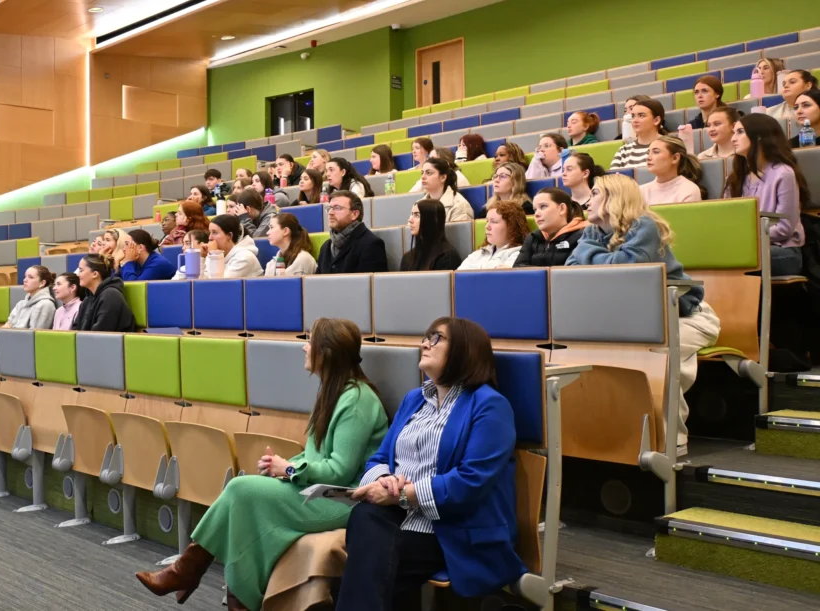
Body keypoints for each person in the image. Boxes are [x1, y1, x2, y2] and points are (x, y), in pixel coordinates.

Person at [136, 317, 388, 611]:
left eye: (311, 342)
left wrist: (291, 470)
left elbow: (340, 471)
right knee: (243, 504)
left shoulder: (357, 400)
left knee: (241, 489)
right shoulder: (334, 393)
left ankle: (187, 572)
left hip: (344, 500)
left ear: (327, 353)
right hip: (319, 492)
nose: (304, 348)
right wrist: (283, 465)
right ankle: (207, 584)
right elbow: (315, 455)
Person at [337, 317, 522, 611]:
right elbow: (379, 458)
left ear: (465, 350)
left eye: (437, 338)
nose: (425, 343)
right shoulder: (414, 400)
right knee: (366, 520)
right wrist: (385, 479)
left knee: (366, 567)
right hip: (400, 518)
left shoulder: (489, 405)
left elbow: (470, 481)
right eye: (426, 337)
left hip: (452, 531)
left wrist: (402, 494)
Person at [568, 175, 720, 453]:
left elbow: (625, 267)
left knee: (653, 354)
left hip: (686, 316)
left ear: (615, 197)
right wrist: (592, 253)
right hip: (641, 320)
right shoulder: (593, 232)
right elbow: (569, 268)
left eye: (595, 193)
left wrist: (587, 253)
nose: (587, 201)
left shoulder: (643, 226)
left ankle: (672, 438)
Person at [726, 114, 810, 275]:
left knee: (729, 257)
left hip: (784, 251)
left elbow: (784, 229)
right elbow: (728, 220)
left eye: (740, 132)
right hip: (746, 247)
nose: (733, 139)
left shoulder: (783, 173)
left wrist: (746, 238)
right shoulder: (736, 176)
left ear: (758, 136)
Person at [318, 191, 388, 274]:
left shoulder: (371, 244)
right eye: (329, 208)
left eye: (337, 208)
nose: (330, 213)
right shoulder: (326, 246)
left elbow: (369, 285)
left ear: (354, 214)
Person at [515, 188, 588, 267]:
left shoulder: (584, 235)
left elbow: (571, 273)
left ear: (562, 208)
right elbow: (518, 270)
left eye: (543, 206)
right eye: (535, 210)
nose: (536, 214)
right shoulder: (532, 237)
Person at [75, 254, 137, 332]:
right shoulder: (87, 299)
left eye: (81, 270)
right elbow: (76, 328)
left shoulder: (111, 296)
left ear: (94, 274)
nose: (77, 274)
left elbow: (101, 333)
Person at [459, 201, 528, 270]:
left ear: (512, 226)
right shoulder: (480, 253)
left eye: (494, 222)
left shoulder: (519, 254)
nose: (487, 226)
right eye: (487, 221)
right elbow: (458, 277)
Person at [400, 199, 462, 271]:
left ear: (431, 220)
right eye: (412, 214)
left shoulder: (446, 257)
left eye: (417, 215)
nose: (410, 220)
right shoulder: (408, 257)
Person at [640, 135, 705, 205]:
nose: (648, 158)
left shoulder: (689, 190)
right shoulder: (641, 191)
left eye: (656, 152)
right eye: (648, 153)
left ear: (675, 158)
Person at [610, 98, 668, 168]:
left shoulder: (669, 145)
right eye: (633, 116)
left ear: (656, 120)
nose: (635, 120)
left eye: (641, 115)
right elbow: (613, 178)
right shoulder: (623, 150)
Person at [418, 157, 473, 223]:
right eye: (422, 173)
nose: (423, 177)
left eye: (428, 173)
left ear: (443, 177)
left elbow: (459, 233)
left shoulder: (460, 206)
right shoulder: (418, 204)